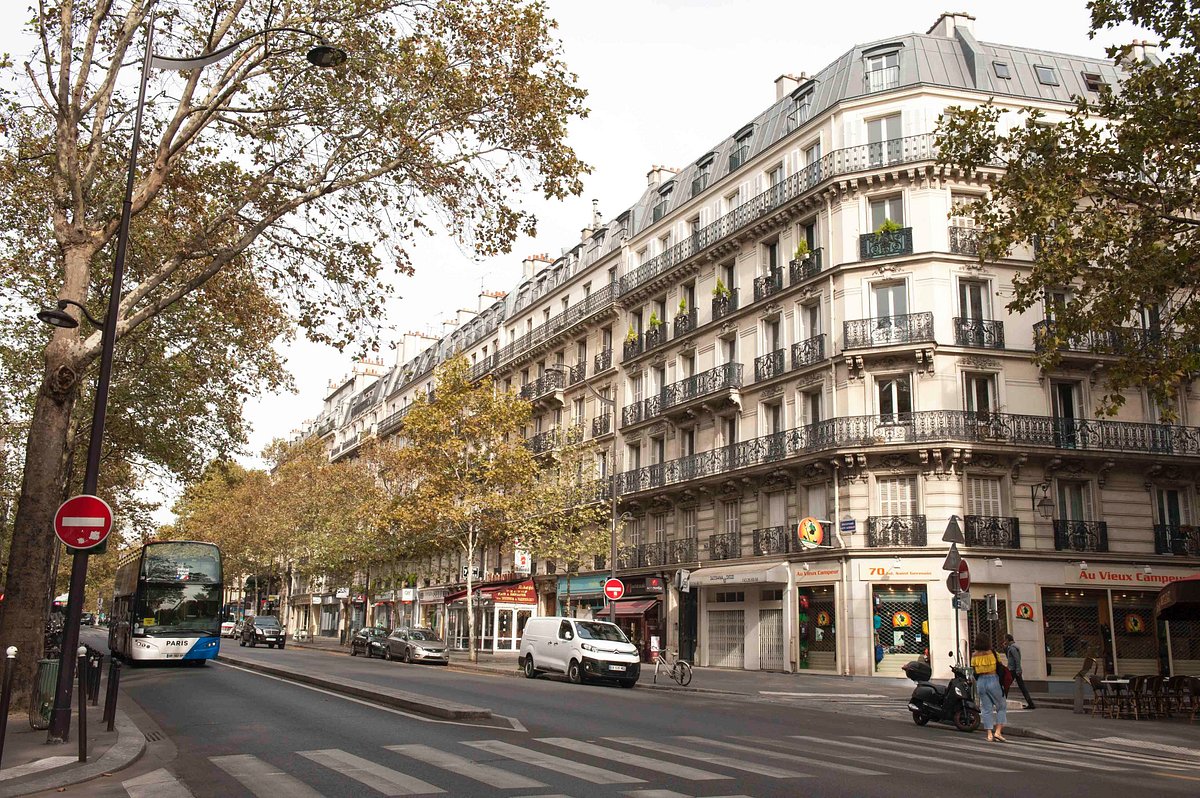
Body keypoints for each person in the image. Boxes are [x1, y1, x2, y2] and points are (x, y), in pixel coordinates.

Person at [971, 633, 1007, 741]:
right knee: (1001, 706)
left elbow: (974, 671)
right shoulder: (993, 653)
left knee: (986, 709)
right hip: (993, 679)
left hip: (981, 682)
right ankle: (998, 732)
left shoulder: (974, 655)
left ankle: (989, 735)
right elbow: (1000, 667)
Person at [1002, 633, 1036, 709]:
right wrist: (1005, 648)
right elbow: (1009, 657)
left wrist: (1018, 669)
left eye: (1005, 639)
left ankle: (1002, 703)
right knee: (1022, 687)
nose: (1004, 641)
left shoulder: (1013, 648)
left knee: (1006, 685)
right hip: (1015, 669)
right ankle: (1030, 703)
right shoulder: (1011, 647)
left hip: (1013, 670)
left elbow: (1016, 659)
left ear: (1007, 640)